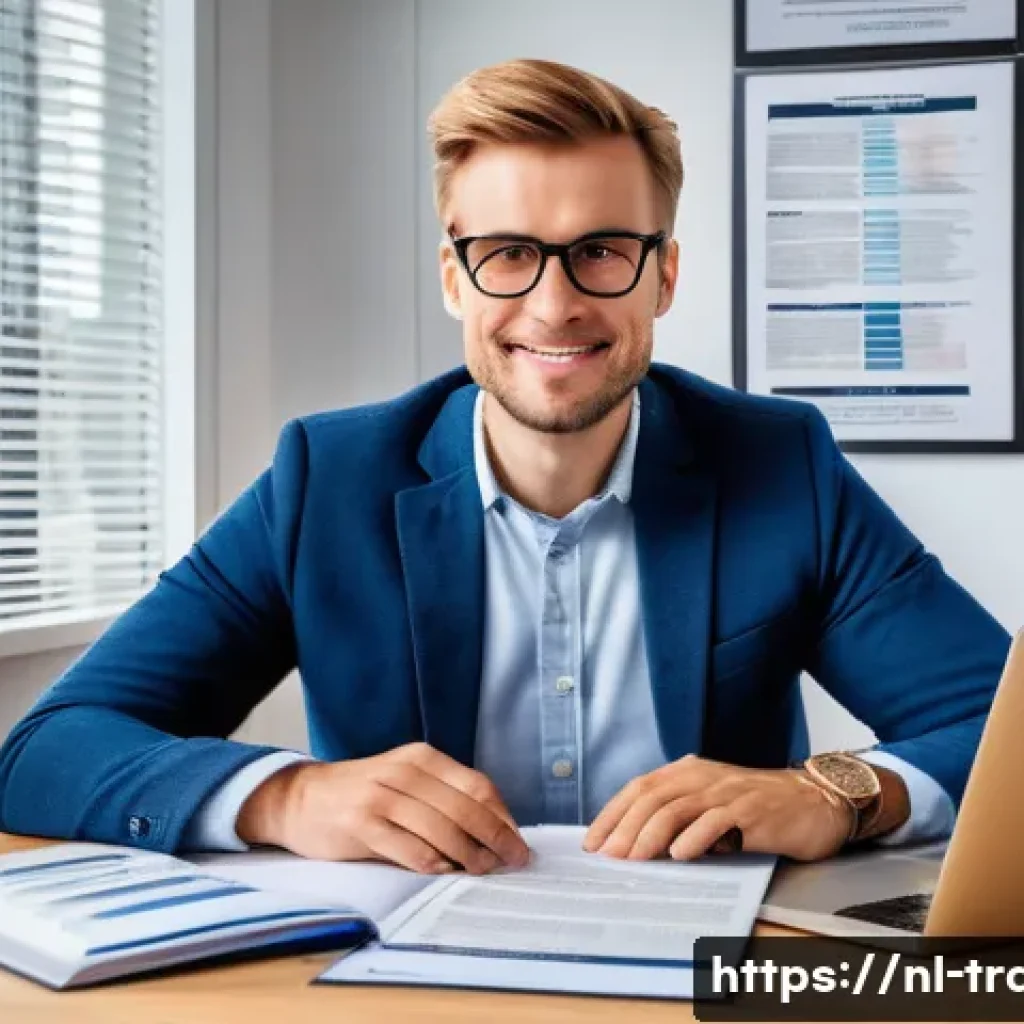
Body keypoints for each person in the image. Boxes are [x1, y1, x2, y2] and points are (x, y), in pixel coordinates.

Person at [0, 60, 1009, 877]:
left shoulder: (781, 466)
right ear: (455, 278)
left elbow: (999, 727)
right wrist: (288, 795)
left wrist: (835, 792)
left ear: (663, 276)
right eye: (508, 253)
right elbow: (48, 749)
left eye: (601, 251)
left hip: (703, 972)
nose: (554, 304)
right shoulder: (327, 478)